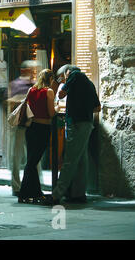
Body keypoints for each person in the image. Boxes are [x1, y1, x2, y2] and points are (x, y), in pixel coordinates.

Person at [43, 65, 101, 205]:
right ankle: (78, 194)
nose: (64, 79)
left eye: (64, 77)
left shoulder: (75, 75)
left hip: (76, 123)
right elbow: (97, 108)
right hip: (86, 123)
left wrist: (60, 83)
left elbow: (61, 94)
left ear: (67, 72)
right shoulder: (89, 83)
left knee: (69, 160)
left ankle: (56, 195)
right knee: (81, 159)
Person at [18, 69, 57, 203]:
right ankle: (23, 193)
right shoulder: (49, 92)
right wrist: (57, 108)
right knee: (32, 162)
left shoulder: (31, 90)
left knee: (32, 160)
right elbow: (51, 113)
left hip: (31, 128)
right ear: (50, 79)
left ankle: (36, 193)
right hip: (43, 128)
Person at [7, 60, 43, 196]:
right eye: (32, 69)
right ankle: (16, 186)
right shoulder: (15, 84)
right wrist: (23, 99)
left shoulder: (35, 85)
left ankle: (36, 183)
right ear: (24, 70)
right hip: (19, 125)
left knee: (33, 155)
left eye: (36, 69)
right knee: (16, 156)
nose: (35, 72)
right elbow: (8, 101)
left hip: (32, 125)